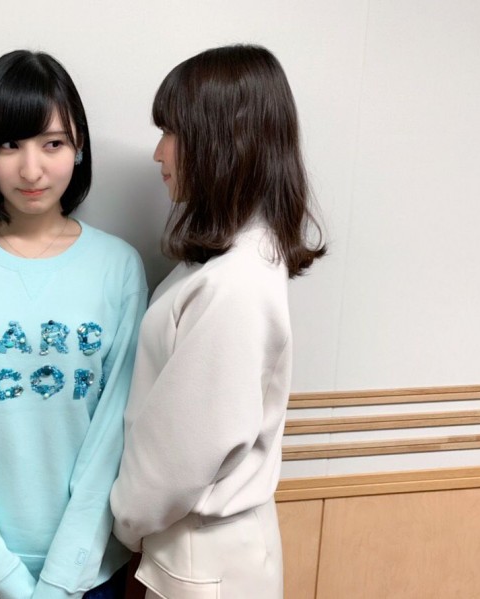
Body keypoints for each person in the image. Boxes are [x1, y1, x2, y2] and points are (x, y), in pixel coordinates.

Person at [0, 50, 147, 599]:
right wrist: (4, 577)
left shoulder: (118, 267)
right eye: (9, 144)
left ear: (79, 147)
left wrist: (62, 578)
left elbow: (114, 433)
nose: (31, 169)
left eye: (52, 143)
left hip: (88, 570)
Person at [110, 44, 326, 598]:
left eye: (172, 132)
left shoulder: (236, 283)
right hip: (198, 553)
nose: (159, 153)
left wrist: (124, 524)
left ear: (222, 141)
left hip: (201, 561)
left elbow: (178, 457)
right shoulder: (229, 263)